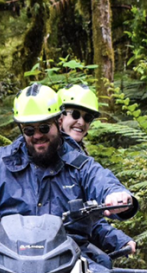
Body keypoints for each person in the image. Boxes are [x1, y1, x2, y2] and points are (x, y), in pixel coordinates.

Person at [0, 83, 137, 271]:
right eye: (29, 131)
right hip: (0, 259)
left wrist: (118, 197)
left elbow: (103, 184)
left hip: (69, 260)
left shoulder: (80, 165)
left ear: (58, 122)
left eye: (44, 127)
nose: (37, 135)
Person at [57, 83, 137, 260]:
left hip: (69, 253)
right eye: (75, 114)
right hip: (25, 254)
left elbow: (88, 220)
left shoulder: (82, 163)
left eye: (88, 118)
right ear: (59, 117)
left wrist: (117, 239)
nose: (81, 122)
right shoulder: (19, 156)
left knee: (102, 266)